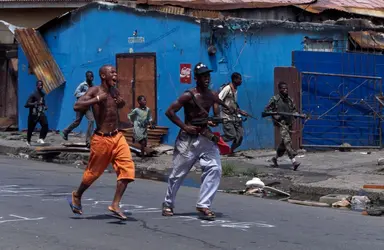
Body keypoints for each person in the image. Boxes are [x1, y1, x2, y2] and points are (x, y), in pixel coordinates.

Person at [161, 62, 234, 221]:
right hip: (188, 139)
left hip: (205, 136)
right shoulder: (189, 95)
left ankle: (204, 204)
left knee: (215, 169)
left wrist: (214, 120)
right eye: (203, 76)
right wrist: (185, 127)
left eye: (208, 75)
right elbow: (170, 112)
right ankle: (168, 203)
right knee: (178, 174)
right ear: (196, 78)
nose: (206, 78)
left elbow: (216, 111)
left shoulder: (212, 95)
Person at [67, 65, 135, 220]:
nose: (115, 75)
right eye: (112, 72)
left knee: (127, 170)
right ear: (103, 76)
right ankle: (77, 195)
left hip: (117, 137)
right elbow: (76, 105)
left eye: (116, 72)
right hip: (101, 139)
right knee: (92, 174)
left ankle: (115, 204)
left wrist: (121, 103)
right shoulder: (95, 91)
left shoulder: (114, 91)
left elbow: (118, 107)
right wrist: (97, 99)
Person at [264, 81, 300, 171]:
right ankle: (294, 161)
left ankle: (275, 158)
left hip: (289, 123)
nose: (285, 90)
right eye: (283, 88)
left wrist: (296, 114)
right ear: (279, 89)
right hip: (281, 123)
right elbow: (266, 110)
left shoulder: (289, 99)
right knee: (287, 141)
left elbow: (294, 110)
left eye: (286, 88)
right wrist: (274, 115)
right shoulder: (275, 99)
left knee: (283, 144)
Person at [60, 71, 95, 147]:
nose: (91, 78)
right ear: (86, 77)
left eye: (92, 76)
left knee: (91, 120)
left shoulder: (93, 86)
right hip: (80, 106)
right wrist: (86, 94)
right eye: (90, 76)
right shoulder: (83, 85)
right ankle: (65, 131)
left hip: (87, 107)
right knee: (77, 122)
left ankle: (88, 141)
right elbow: (76, 93)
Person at [217, 72, 248, 155]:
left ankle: (231, 151)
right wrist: (227, 107)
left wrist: (241, 111)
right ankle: (215, 140)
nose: (241, 81)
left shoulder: (235, 90)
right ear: (234, 79)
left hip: (234, 116)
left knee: (240, 136)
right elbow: (218, 99)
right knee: (231, 135)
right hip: (226, 116)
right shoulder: (227, 88)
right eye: (239, 79)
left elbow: (233, 103)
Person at [24, 80, 48, 146]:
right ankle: (28, 141)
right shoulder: (33, 94)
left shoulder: (43, 94)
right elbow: (26, 105)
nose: (41, 86)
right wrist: (36, 103)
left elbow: (43, 102)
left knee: (45, 125)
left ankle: (41, 138)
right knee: (30, 129)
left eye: (42, 85)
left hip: (40, 113)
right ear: (37, 86)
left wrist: (45, 106)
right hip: (33, 115)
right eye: (40, 85)